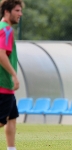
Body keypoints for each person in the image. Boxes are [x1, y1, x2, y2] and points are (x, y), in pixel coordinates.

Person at [0, 0, 24, 149]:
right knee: (2, 120)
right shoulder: (7, 29)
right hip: (4, 82)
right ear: (7, 12)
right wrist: (14, 75)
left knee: (12, 117)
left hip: (4, 83)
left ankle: (11, 148)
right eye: (17, 10)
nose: (20, 14)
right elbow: (1, 54)